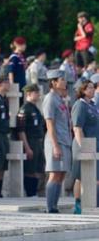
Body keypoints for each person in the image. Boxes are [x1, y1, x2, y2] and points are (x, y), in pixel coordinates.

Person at [44, 70, 72, 213]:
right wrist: (55, 146)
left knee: (61, 174)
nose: (64, 81)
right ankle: (50, 207)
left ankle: (54, 205)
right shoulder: (50, 98)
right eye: (61, 79)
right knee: (54, 173)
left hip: (64, 140)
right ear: (54, 82)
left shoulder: (60, 99)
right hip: (55, 141)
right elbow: (50, 123)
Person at [70, 80, 99, 214]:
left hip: (94, 146)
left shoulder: (92, 105)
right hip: (83, 146)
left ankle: (92, 202)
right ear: (82, 90)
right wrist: (84, 147)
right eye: (89, 88)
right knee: (80, 177)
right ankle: (78, 203)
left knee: (94, 176)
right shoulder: (80, 105)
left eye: (93, 88)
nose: (92, 90)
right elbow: (77, 128)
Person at [17, 83, 46, 197]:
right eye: (36, 92)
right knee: (30, 170)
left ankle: (35, 192)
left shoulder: (35, 109)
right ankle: (30, 193)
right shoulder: (25, 109)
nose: (38, 95)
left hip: (38, 141)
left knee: (38, 169)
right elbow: (21, 130)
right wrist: (27, 147)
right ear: (29, 94)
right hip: (30, 141)